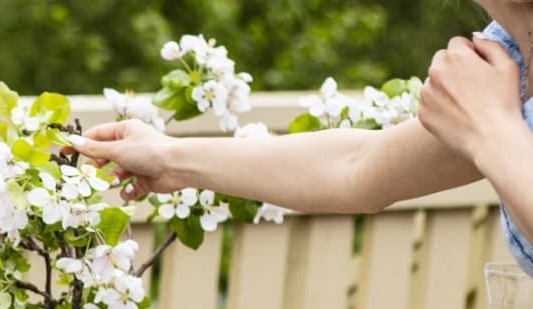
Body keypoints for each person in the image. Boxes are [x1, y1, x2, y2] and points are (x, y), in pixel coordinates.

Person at [73, 2, 533, 274]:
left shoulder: (498, 98)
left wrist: (491, 130)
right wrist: (169, 157)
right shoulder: (511, 54)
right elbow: (357, 167)